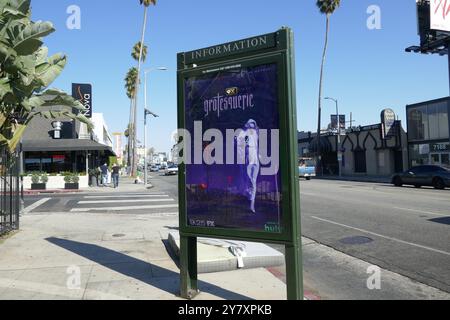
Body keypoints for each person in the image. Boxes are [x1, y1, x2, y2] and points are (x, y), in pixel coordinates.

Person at [237, 119, 260, 214]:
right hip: (248, 159)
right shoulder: (244, 133)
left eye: (253, 125)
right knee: (249, 180)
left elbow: (256, 145)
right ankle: (247, 192)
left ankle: (252, 204)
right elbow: (243, 144)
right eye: (250, 125)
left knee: (253, 182)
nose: (251, 126)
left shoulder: (255, 133)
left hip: (255, 159)